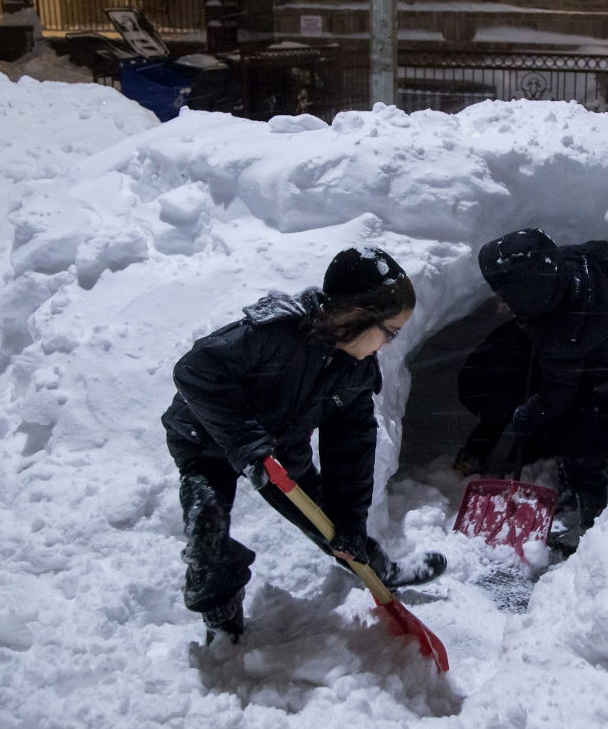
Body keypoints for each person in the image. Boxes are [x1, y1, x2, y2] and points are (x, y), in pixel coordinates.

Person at [162, 247, 446, 642]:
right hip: (208, 442)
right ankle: (221, 618)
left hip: (281, 455)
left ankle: (381, 571)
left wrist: (349, 521)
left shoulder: (356, 372)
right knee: (206, 537)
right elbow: (196, 370)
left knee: (334, 528)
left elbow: (351, 448)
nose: (387, 344)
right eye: (390, 331)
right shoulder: (274, 333)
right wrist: (247, 443)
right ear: (356, 314)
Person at [466, 228, 608, 553]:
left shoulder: (561, 334)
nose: (503, 301)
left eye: (508, 296)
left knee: (582, 436)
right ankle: (576, 467)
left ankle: (591, 508)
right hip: (606, 341)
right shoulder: (570, 260)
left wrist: (528, 415)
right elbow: (604, 254)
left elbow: (557, 394)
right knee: (569, 418)